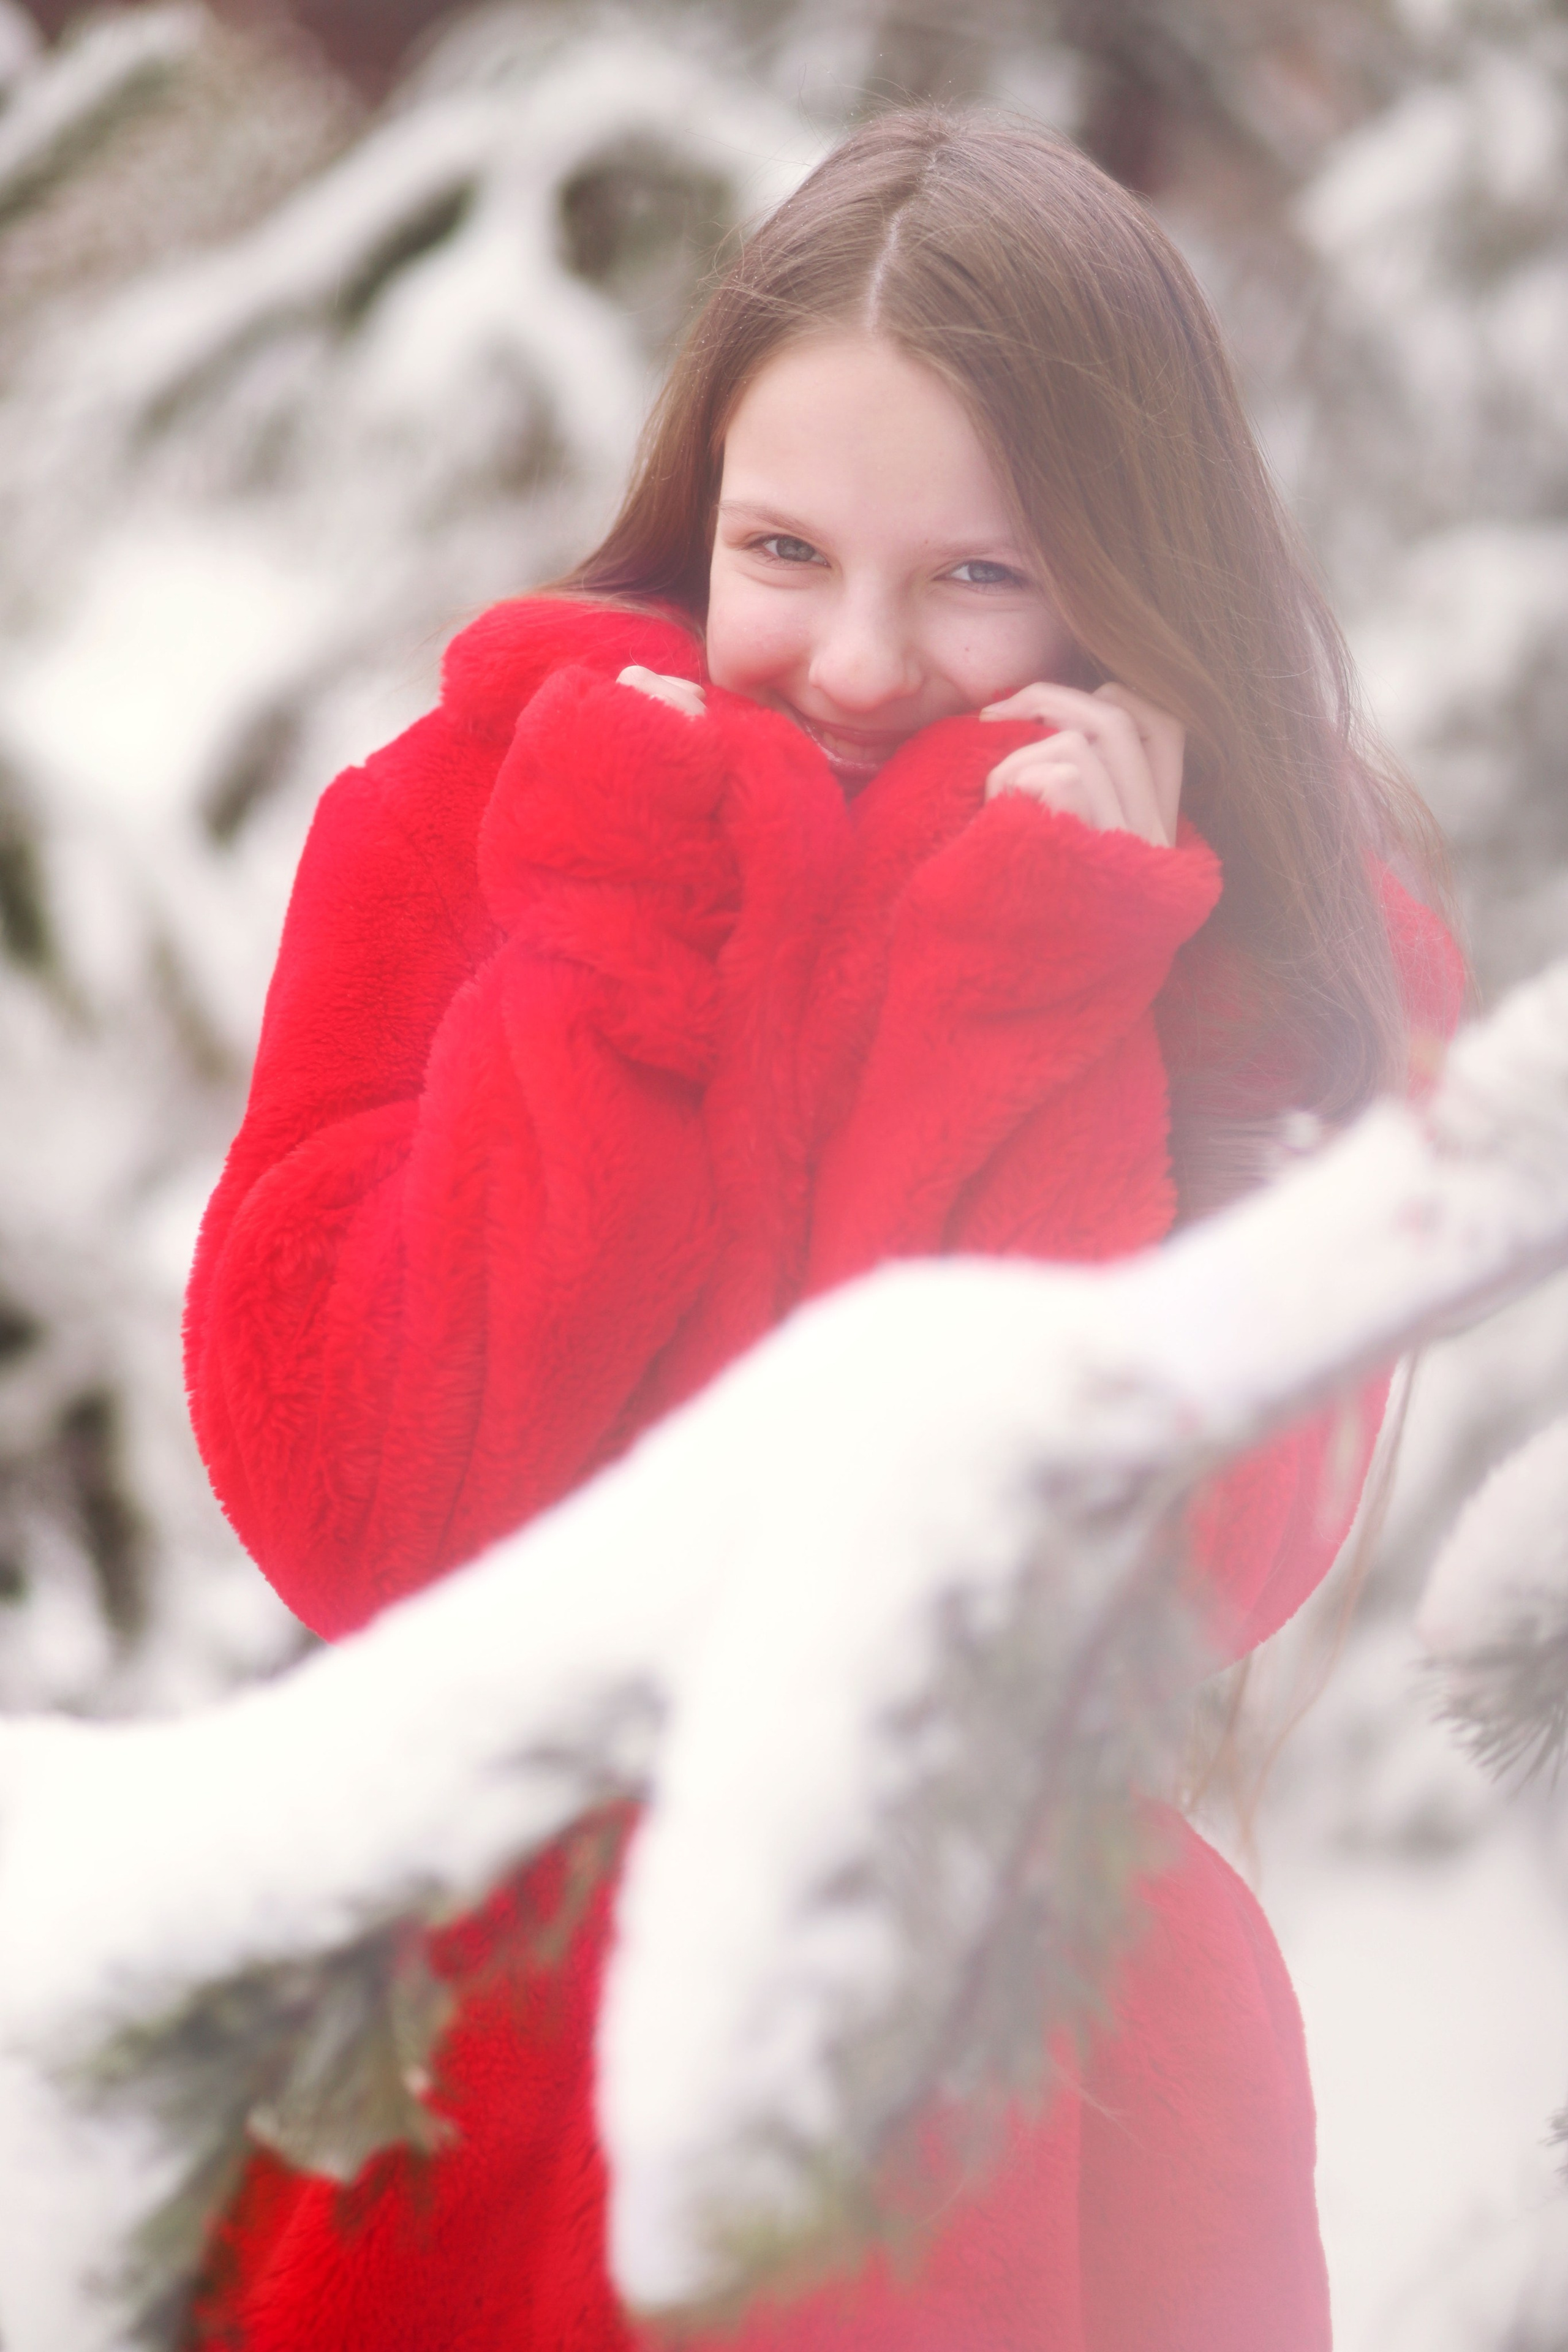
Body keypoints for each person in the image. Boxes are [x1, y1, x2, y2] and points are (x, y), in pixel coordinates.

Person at [184, 107, 1462, 2351]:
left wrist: (1035, 996)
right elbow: (365, 1511)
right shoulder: (471, 827)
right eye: (785, 549)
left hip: (1048, 2134)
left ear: (1115, 580)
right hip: (493, 2114)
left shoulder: (1263, 964)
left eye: (974, 575)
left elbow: (1126, 1594)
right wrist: (609, 939)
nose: (859, 663)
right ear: (699, 515)